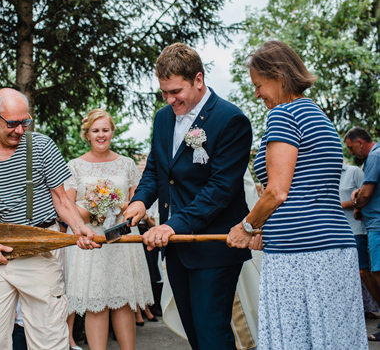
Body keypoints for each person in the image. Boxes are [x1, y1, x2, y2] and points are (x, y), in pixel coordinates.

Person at [224, 40, 364, 348]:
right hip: (334, 246)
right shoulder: (317, 115)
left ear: (280, 76)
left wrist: (247, 227)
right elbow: (307, 189)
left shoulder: (284, 115)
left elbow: (277, 191)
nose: (257, 94)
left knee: (295, 340)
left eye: (259, 85)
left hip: (300, 255)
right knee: (333, 339)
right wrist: (267, 229)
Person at [0, 88, 96, 349]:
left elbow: (61, 199)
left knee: (50, 340)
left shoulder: (43, 146)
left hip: (40, 250)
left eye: (25, 121)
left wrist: (79, 228)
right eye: (12, 123)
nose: (20, 130)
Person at [122, 43, 253, 350]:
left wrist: (172, 225)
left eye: (176, 91)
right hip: (177, 246)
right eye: (164, 92)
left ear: (198, 79)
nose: (170, 100)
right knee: (194, 332)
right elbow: (155, 170)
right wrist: (140, 201)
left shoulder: (230, 119)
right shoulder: (163, 118)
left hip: (214, 244)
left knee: (212, 332)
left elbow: (221, 189)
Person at [63, 109, 152, 350]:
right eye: (95, 131)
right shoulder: (75, 166)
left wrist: (118, 204)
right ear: (87, 134)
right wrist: (94, 210)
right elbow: (68, 209)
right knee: (96, 302)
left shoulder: (127, 164)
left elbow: (137, 206)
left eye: (105, 129)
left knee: (123, 301)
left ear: (112, 131)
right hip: (91, 242)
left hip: (121, 240)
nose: (101, 135)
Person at [346, 127, 380, 340]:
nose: (351, 153)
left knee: (377, 273)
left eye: (351, 147)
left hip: (377, 224)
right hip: (373, 222)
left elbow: (367, 192)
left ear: (360, 141)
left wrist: (358, 201)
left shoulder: (374, 156)